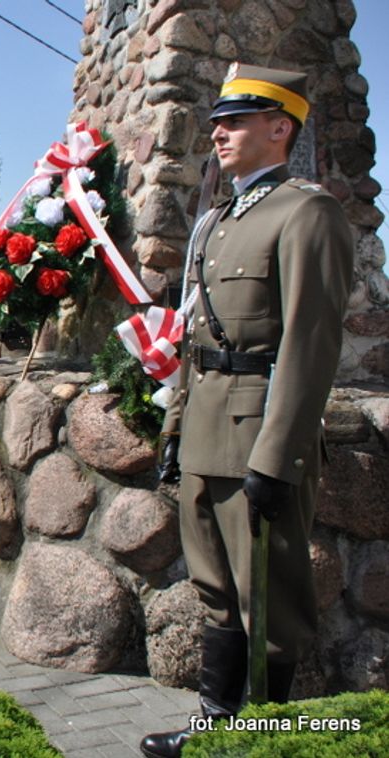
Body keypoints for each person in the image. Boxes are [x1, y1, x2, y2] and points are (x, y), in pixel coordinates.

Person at [141, 64, 355, 758]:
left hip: (257, 435)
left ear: (279, 128)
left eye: (237, 119)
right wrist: (174, 426)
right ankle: (215, 731)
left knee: (269, 606)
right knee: (216, 594)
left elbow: (310, 345)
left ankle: (260, 743)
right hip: (204, 428)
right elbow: (195, 336)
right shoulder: (215, 222)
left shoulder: (306, 212)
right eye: (218, 120)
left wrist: (278, 455)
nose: (219, 130)